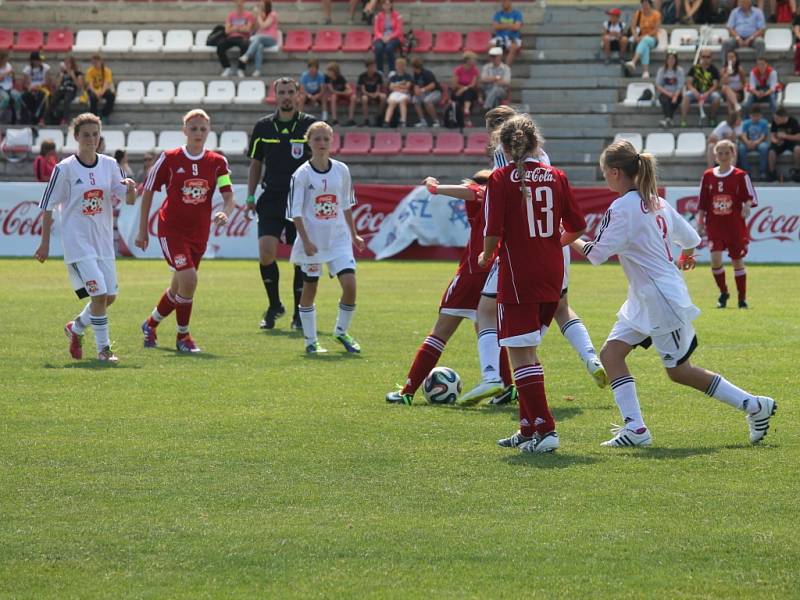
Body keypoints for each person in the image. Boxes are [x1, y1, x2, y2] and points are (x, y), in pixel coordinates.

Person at [571, 138, 776, 447]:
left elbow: (594, 253)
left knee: (679, 371)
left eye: (604, 171)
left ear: (615, 172)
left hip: (661, 300)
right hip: (645, 298)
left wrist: (564, 234)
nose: (603, 177)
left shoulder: (623, 207)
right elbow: (690, 238)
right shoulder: (655, 200)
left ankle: (754, 405)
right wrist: (686, 257)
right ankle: (636, 429)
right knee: (611, 355)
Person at [459, 106, 606, 407]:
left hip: (521, 251)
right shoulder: (549, 165)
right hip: (554, 247)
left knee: (490, 313)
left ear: (498, 135)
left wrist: (487, 253)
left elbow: (494, 207)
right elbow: (575, 222)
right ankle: (591, 357)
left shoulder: (504, 162)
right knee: (561, 308)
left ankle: (494, 379)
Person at [479, 115, 587, 454]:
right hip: (553, 272)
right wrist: (554, 243)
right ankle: (527, 428)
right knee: (521, 348)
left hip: (518, 273)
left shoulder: (500, 178)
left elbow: (493, 230)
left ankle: (547, 429)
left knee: (521, 352)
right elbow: (578, 226)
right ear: (536, 143)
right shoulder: (557, 176)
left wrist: (485, 256)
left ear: (504, 146)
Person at [386, 169, 515, 405]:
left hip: (473, 272)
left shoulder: (483, 193)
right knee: (488, 332)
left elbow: (473, 191)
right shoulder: (509, 199)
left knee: (440, 332)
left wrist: (436, 188)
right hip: (499, 271)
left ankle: (407, 391)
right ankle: (508, 387)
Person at [34, 113, 136, 362]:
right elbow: (47, 206)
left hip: (103, 241)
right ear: (76, 137)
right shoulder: (65, 168)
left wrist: (131, 188)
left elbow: (128, 199)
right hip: (77, 242)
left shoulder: (110, 165)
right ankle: (104, 350)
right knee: (99, 295)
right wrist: (45, 243)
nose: (91, 139)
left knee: (109, 297)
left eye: (95, 134)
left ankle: (76, 327)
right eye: (86, 134)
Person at [136, 109, 235, 353]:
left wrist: (226, 211)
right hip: (172, 230)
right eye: (194, 128)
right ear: (184, 131)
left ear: (208, 130)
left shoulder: (217, 162)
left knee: (179, 287)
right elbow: (148, 191)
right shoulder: (169, 158)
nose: (198, 133)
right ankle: (183, 337)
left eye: (203, 129)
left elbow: (228, 194)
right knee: (190, 279)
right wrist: (142, 231)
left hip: (199, 232)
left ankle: (150, 324)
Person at [246, 77, 317, 331]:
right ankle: (274, 305)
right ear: (275, 95)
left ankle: (300, 312)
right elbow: (256, 163)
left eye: (291, 92)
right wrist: (251, 196)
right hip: (272, 197)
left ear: (299, 95)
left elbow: (320, 161)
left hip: (302, 200)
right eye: (282, 92)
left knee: (300, 256)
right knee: (266, 252)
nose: (286, 96)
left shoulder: (311, 126)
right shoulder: (263, 127)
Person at [289, 121, 365, 354]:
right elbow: (295, 212)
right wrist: (306, 241)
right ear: (309, 142)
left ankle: (341, 332)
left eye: (326, 139)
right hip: (312, 240)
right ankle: (311, 341)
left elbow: (346, 204)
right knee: (310, 289)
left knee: (350, 285)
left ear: (332, 141)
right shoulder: (301, 174)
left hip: (338, 238)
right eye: (317, 139)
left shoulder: (341, 170)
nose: (321, 143)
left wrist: (354, 234)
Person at [697, 139, 756, 310]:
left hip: (734, 225)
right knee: (715, 260)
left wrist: (746, 206)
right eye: (720, 153)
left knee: (737, 261)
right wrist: (700, 222)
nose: (723, 156)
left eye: (726, 153)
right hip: (714, 225)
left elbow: (750, 197)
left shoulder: (740, 175)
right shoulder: (708, 175)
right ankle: (723, 292)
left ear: (733, 154)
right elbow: (702, 202)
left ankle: (742, 298)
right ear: (715, 155)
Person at [680, 50, 722, 127]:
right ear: (700, 57)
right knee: (686, 96)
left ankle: (712, 118)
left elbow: (715, 85)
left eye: (708, 57)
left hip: (709, 93)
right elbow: (688, 83)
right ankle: (683, 119)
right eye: (703, 56)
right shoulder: (694, 68)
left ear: (711, 58)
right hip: (695, 92)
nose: (705, 59)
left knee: (716, 98)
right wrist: (694, 91)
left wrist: (707, 93)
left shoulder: (714, 69)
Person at [624, 0, 663, 79]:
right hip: (641, 39)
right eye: (643, 4)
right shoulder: (638, 14)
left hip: (653, 39)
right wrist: (635, 36)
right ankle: (645, 72)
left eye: (646, 4)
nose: (644, 6)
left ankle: (634, 61)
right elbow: (633, 27)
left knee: (645, 40)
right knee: (645, 47)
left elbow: (656, 30)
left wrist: (642, 37)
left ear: (650, 4)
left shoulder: (656, 14)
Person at [240, 0, 279, 78]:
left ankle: (247, 55)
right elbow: (256, 28)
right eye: (260, 4)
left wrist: (258, 16)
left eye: (262, 4)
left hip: (271, 39)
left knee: (258, 38)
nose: (260, 5)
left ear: (267, 5)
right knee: (259, 46)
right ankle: (257, 70)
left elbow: (264, 26)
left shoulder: (273, 14)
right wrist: (255, 17)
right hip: (259, 38)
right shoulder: (261, 15)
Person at [218, 0, 255, 77]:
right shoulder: (231, 15)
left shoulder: (249, 15)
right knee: (220, 46)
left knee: (245, 46)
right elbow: (227, 30)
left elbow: (248, 29)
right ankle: (227, 67)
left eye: (241, 2)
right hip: (231, 37)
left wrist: (234, 28)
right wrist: (241, 28)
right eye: (237, 2)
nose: (239, 3)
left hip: (243, 37)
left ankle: (241, 69)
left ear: (243, 3)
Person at [47, 56, 83, 126]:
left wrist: (73, 76)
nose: (66, 65)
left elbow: (79, 86)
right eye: (65, 63)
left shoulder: (78, 73)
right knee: (53, 99)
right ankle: (46, 118)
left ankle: (65, 120)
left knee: (67, 100)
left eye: (68, 63)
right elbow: (57, 86)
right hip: (62, 89)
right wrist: (61, 76)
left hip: (71, 90)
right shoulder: (62, 73)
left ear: (72, 64)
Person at [767, 106, 800, 181]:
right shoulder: (774, 122)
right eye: (775, 118)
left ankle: (797, 171)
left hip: (792, 142)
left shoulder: (793, 121)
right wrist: (776, 141)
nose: (775, 120)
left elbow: (798, 137)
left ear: (783, 117)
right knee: (771, 151)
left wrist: (786, 136)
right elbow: (772, 136)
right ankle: (772, 172)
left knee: (798, 149)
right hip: (780, 142)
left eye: (777, 119)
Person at [737, 105, 769, 179]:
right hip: (748, 142)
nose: (755, 118)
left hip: (759, 142)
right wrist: (747, 142)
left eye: (757, 116)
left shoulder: (764, 123)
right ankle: (746, 171)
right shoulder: (745, 123)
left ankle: (762, 171)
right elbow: (743, 135)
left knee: (764, 148)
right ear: (750, 115)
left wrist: (756, 142)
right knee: (741, 148)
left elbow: (763, 136)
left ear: (760, 115)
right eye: (753, 116)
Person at [372, 0, 404, 74]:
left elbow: (399, 30)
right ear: (382, 6)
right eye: (385, 4)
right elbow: (376, 30)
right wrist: (382, 37)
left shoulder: (398, 15)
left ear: (391, 5)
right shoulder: (378, 16)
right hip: (381, 37)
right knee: (378, 47)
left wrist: (390, 37)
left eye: (388, 4)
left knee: (389, 48)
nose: (387, 6)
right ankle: (380, 70)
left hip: (394, 37)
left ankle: (392, 70)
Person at [655, 51, 684, 128]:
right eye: (669, 59)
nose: (671, 61)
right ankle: (669, 119)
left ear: (676, 60)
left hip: (677, 94)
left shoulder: (679, 70)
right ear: (666, 60)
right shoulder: (662, 70)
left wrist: (675, 96)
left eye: (673, 59)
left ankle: (667, 119)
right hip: (665, 93)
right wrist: (669, 94)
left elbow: (680, 85)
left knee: (674, 101)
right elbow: (658, 85)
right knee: (665, 99)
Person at [410, 57, 442, 128]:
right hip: (425, 93)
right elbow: (415, 85)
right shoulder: (415, 74)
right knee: (415, 100)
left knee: (427, 101)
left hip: (435, 92)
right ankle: (423, 121)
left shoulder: (427, 73)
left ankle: (436, 121)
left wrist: (422, 90)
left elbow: (433, 85)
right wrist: (416, 90)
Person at [21, 51, 51, 125]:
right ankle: (31, 118)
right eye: (38, 60)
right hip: (31, 89)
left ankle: (38, 119)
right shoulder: (27, 69)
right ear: (33, 61)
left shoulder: (45, 68)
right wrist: (30, 88)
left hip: (42, 89)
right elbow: (25, 84)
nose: (40, 61)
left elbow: (47, 82)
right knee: (25, 96)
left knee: (42, 97)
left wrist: (38, 86)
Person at [323, 61, 357, 127]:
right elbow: (332, 90)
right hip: (337, 94)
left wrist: (345, 93)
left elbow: (349, 89)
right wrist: (342, 93)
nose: (328, 73)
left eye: (330, 71)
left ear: (334, 72)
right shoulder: (327, 78)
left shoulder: (341, 78)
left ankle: (351, 119)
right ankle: (335, 120)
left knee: (354, 97)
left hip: (343, 94)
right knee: (333, 97)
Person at [452, 51, 480, 128]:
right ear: (468, 60)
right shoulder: (458, 70)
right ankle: (466, 116)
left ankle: (466, 112)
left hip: (470, 90)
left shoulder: (475, 70)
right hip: (458, 90)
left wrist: (464, 88)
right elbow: (455, 84)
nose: (475, 61)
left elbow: (473, 84)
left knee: (468, 93)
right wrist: (462, 89)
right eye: (474, 59)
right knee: (463, 96)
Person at [491, 0, 524, 66]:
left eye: (505, 1)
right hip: (500, 38)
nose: (504, 3)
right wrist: (510, 25)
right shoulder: (498, 14)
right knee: (491, 46)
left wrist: (502, 25)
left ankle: (505, 69)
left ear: (510, 2)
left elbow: (517, 27)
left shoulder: (517, 14)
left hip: (513, 38)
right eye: (502, 2)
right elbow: (496, 27)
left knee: (513, 47)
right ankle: (497, 67)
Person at [356, 58, 386, 127]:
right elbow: (363, 90)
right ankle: (366, 119)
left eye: (374, 67)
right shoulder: (362, 76)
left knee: (383, 97)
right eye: (372, 67)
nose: (373, 68)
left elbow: (378, 88)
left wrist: (376, 94)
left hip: (376, 93)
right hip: (367, 94)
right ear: (368, 67)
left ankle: (379, 116)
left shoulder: (378, 75)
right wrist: (370, 94)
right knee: (364, 98)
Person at [384, 57, 412, 128]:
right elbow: (391, 87)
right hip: (395, 93)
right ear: (396, 66)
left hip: (405, 93)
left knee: (402, 101)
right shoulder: (393, 77)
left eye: (402, 65)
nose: (400, 67)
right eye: (398, 65)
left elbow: (407, 87)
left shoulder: (408, 76)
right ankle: (387, 121)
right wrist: (401, 85)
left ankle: (403, 121)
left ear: (404, 66)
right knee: (392, 102)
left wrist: (396, 86)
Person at [86, 54, 115, 122]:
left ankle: (104, 115)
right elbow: (90, 85)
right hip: (94, 90)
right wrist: (96, 93)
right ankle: (94, 118)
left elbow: (106, 83)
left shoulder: (107, 71)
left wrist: (101, 93)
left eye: (96, 62)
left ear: (100, 61)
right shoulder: (90, 71)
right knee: (92, 98)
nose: (95, 64)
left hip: (103, 89)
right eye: (93, 63)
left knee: (111, 96)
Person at [720, 50, 746, 115]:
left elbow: (744, 83)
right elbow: (722, 83)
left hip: (738, 92)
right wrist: (727, 73)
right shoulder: (723, 69)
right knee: (725, 87)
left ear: (736, 58)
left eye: (732, 57)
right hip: (726, 91)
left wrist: (738, 89)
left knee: (730, 98)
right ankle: (737, 107)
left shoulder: (740, 69)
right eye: (729, 57)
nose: (731, 59)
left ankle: (732, 117)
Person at [0, 51, 23, 124]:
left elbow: (12, 79)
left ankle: (17, 118)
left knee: (18, 96)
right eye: (5, 58)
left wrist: (13, 75)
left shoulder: (8, 66)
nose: (7, 60)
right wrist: (7, 73)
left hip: (9, 88)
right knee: (5, 98)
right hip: (1, 88)